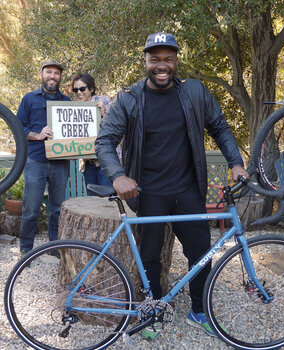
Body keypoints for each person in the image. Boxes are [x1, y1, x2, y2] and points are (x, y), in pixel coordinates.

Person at [95, 33, 249, 340]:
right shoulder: (129, 99)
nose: (162, 65)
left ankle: (199, 311)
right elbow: (104, 141)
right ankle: (153, 312)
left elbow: (219, 126)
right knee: (150, 255)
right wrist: (117, 175)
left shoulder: (194, 93)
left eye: (168, 59)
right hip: (148, 192)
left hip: (187, 189)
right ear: (146, 62)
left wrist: (235, 162)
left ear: (176, 61)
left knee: (200, 252)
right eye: (155, 59)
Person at [18, 59, 70, 256]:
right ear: (42, 74)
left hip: (59, 163)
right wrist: (37, 135)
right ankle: (26, 250)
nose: (52, 76)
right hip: (36, 161)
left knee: (57, 209)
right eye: (49, 72)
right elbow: (19, 128)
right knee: (31, 209)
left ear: (59, 77)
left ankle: (54, 248)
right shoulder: (29, 99)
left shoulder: (66, 102)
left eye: (56, 73)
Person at [71, 73, 115, 195]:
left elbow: (116, 129)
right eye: (76, 90)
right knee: (93, 203)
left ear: (91, 89)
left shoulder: (104, 101)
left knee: (108, 203)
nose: (79, 92)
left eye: (82, 88)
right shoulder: (74, 110)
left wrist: (102, 115)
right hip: (88, 164)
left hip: (106, 163)